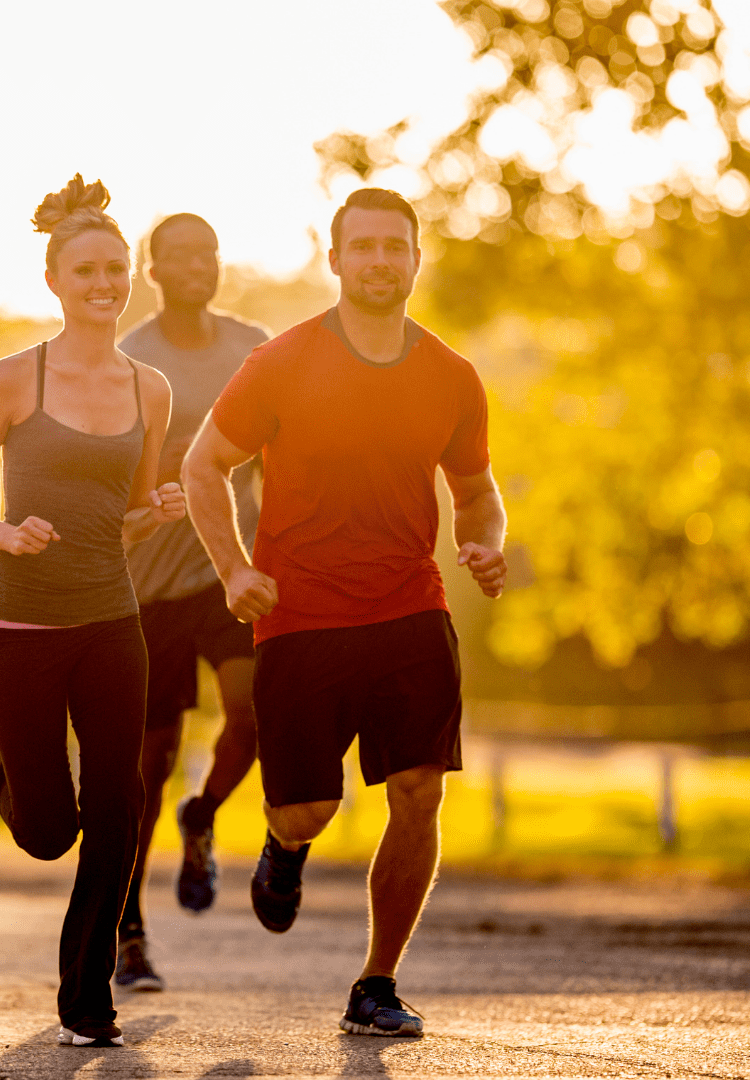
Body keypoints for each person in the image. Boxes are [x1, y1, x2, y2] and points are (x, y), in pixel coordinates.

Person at [184, 188, 507, 1038]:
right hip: (301, 618)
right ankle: (283, 848)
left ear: (415, 258)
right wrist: (232, 569)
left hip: (410, 609)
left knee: (418, 791)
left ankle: (377, 981)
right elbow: (202, 465)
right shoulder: (282, 363)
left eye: (393, 247)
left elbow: (476, 491)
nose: (377, 261)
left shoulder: (450, 376)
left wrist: (485, 542)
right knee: (308, 810)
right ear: (334, 260)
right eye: (360, 246)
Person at [0, 174, 184, 1048]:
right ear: (55, 278)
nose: (105, 284)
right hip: (19, 624)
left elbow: (116, 520)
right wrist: (6, 537)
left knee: (118, 807)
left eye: (116, 270)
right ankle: (3, 754)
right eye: (87, 269)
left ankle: (88, 1001)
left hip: (112, 622)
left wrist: (150, 512)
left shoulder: (149, 390)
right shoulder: (16, 378)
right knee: (48, 834)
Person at [112, 213, 270, 994]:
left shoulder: (253, 346)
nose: (197, 264)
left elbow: (285, 452)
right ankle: (128, 928)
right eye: (179, 254)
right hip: (148, 585)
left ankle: (203, 815)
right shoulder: (131, 357)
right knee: (149, 762)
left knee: (252, 713)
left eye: (207, 251)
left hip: (226, 572)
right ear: (154, 268)